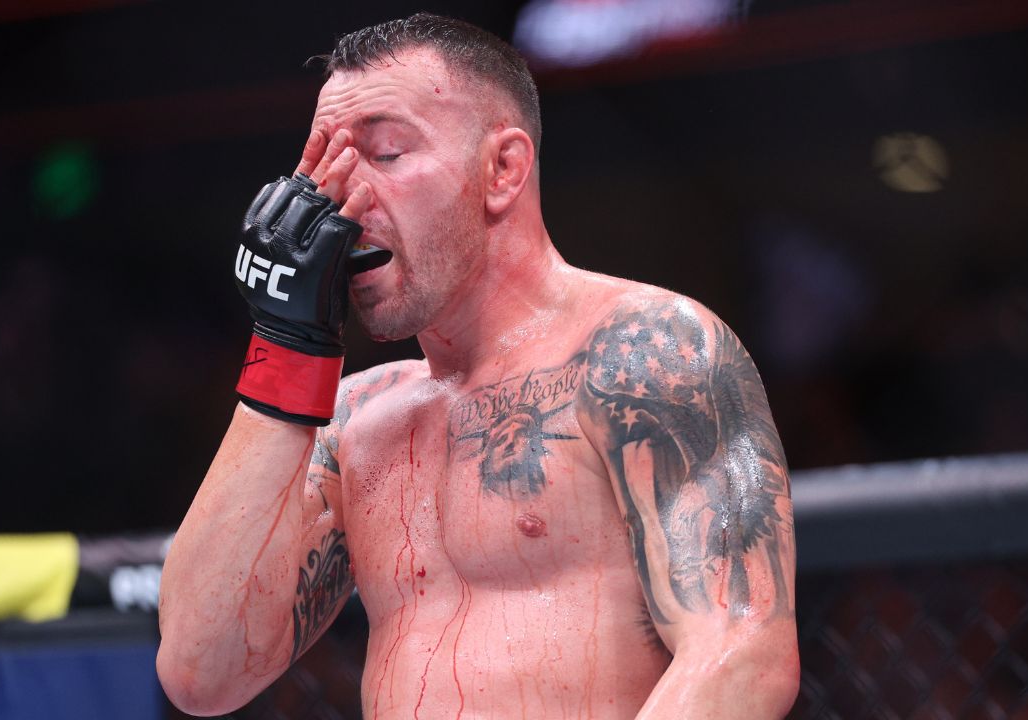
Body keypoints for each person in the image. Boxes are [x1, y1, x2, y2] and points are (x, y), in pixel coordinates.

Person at [157, 13, 799, 719]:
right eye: (325, 166)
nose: (341, 197)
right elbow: (201, 671)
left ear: (503, 169)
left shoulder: (642, 352)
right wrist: (286, 345)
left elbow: (742, 653)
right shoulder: (355, 421)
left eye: (387, 152)